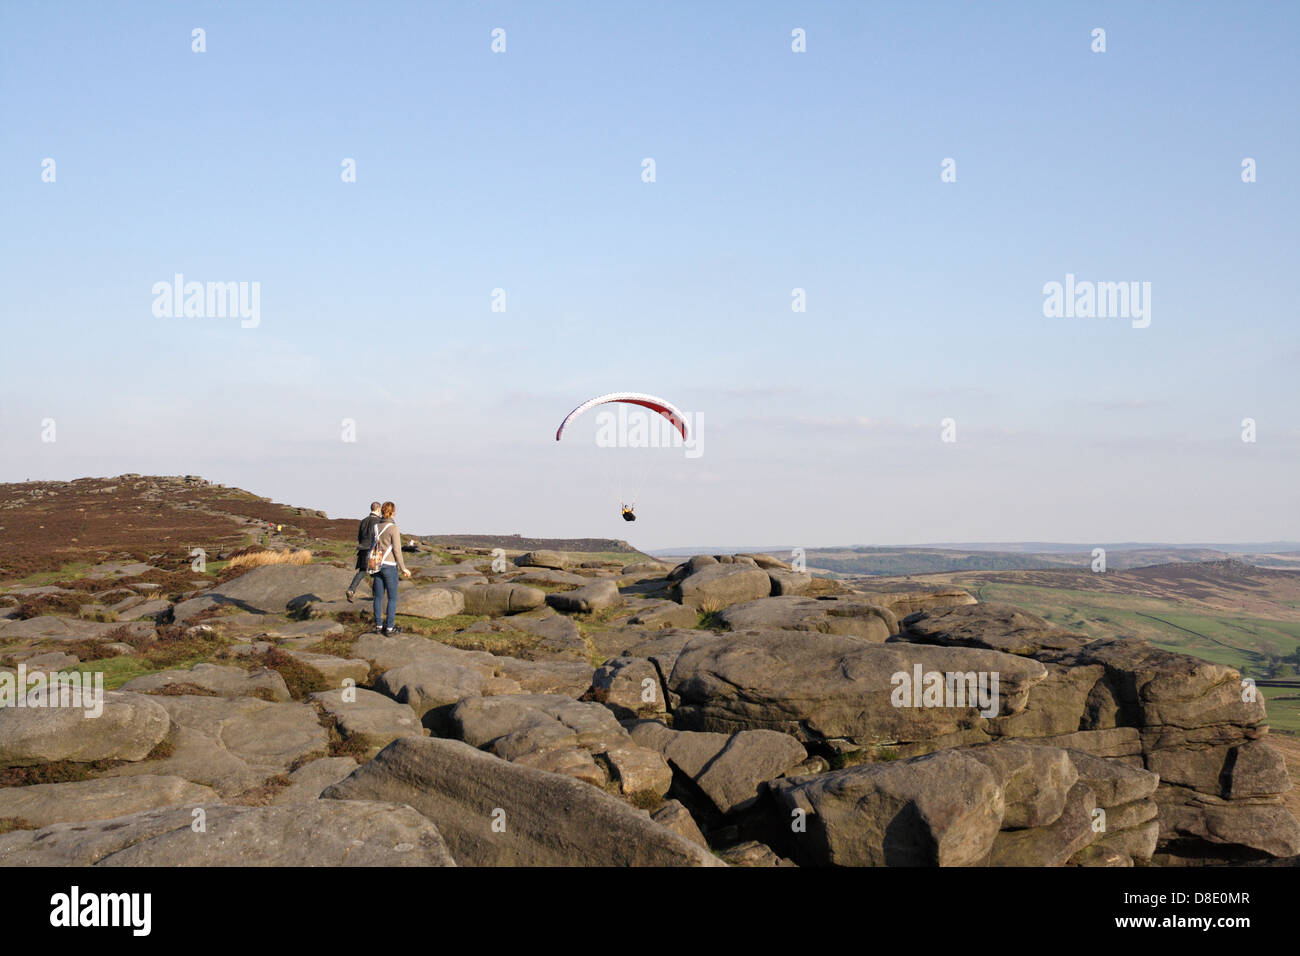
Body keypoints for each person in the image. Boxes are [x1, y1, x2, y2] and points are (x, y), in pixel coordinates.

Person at [369, 501, 412, 635]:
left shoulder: (376, 527)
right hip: (390, 566)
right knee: (392, 598)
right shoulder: (393, 528)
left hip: (377, 565)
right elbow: (397, 551)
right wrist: (403, 568)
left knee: (378, 597)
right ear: (392, 512)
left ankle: (378, 626)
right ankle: (389, 628)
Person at [345, 502, 383, 603]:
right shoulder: (379, 521)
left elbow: (359, 536)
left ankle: (351, 590)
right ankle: (376, 596)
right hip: (372, 550)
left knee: (362, 572)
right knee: (377, 573)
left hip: (362, 549)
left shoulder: (363, 521)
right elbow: (379, 538)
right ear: (378, 509)